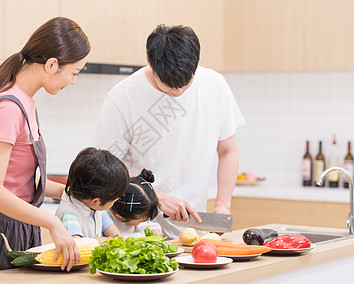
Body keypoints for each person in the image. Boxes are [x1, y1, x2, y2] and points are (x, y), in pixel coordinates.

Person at [0, 17, 90, 284]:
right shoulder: (9, 108)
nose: (73, 81)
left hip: (17, 227)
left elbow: (20, 177)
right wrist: (52, 223)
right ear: (51, 65)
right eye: (74, 73)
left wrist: (67, 192)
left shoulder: (27, 102)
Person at [91, 24, 245, 239]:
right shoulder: (123, 97)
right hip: (134, 229)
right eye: (168, 85)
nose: (177, 91)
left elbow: (228, 151)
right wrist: (157, 197)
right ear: (149, 62)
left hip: (193, 230)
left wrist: (222, 206)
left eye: (185, 83)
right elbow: (105, 166)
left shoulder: (215, 85)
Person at [55, 147, 129, 239]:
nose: (114, 204)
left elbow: (116, 236)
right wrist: (104, 241)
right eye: (113, 201)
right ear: (95, 201)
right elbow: (77, 244)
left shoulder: (96, 208)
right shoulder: (69, 213)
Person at [108, 169, 163, 238]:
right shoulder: (107, 219)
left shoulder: (135, 212)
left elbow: (147, 224)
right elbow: (121, 239)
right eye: (141, 221)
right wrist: (144, 235)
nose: (143, 222)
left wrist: (154, 228)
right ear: (120, 217)